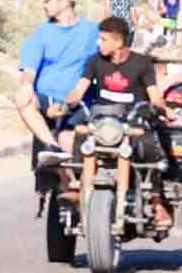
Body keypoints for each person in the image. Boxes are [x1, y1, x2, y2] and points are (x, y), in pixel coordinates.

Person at [61, 17, 173, 229]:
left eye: (103, 39)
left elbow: (153, 94)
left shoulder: (142, 64)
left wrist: (160, 107)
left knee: (152, 148)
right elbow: (79, 90)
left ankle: (157, 202)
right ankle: (78, 187)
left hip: (133, 123)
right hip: (102, 123)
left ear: (118, 42)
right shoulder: (95, 62)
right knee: (80, 135)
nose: (98, 43)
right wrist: (64, 104)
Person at [15, 0, 100, 165]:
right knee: (23, 97)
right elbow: (29, 70)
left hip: (79, 100)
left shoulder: (93, 31)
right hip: (48, 98)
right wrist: (27, 85)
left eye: (48, 0)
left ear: (65, 2)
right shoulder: (41, 33)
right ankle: (51, 145)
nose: (43, 5)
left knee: (71, 144)